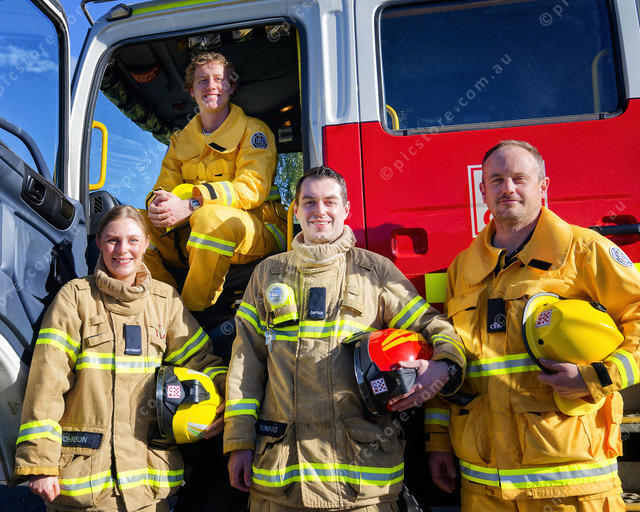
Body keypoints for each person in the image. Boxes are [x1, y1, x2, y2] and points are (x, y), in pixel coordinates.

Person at [223, 166, 467, 511]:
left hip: (362, 487)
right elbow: (246, 362)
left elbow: (433, 325)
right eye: (309, 202)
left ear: (346, 209)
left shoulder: (375, 272)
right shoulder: (267, 273)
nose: (319, 211)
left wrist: (444, 367)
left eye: (330, 201)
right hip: (281, 484)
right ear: (296, 210)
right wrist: (239, 441)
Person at [426, 140, 640, 511]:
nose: (508, 188)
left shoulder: (583, 250)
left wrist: (599, 377)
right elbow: (449, 357)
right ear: (483, 191)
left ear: (543, 186)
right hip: (485, 487)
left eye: (519, 178)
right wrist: (438, 440)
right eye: (497, 180)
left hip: (573, 485)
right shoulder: (463, 267)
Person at [14, 205, 228, 511]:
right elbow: (48, 381)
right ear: (99, 243)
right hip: (84, 490)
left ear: (147, 244)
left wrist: (226, 401)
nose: (122, 250)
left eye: (133, 240)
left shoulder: (166, 301)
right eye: (113, 240)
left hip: (147, 491)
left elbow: (201, 361)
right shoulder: (76, 297)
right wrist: (40, 463)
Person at [143, 51, 287, 314]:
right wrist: (156, 205)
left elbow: (251, 189)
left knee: (209, 218)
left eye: (219, 79)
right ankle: (164, 307)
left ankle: (191, 315)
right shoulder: (179, 141)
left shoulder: (254, 131)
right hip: (190, 234)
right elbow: (163, 186)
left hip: (258, 229)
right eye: (202, 80)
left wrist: (193, 204)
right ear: (192, 91)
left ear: (231, 87)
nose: (211, 86)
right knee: (132, 224)